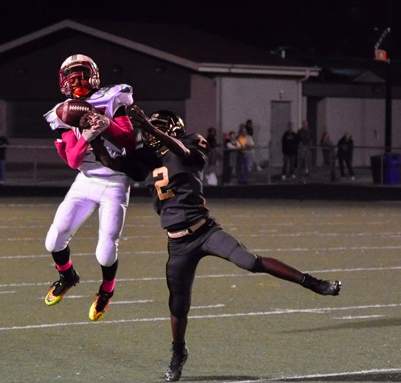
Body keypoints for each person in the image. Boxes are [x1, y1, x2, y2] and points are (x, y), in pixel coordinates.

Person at [93, 106, 342, 382]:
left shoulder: (191, 141)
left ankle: (313, 282)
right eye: (149, 128)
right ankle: (179, 352)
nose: (151, 132)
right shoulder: (148, 157)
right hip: (177, 243)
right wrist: (91, 135)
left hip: (205, 231)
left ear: (172, 128)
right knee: (178, 305)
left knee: (250, 261)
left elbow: (187, 155)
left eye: (159, 128)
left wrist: (153, 130)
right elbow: (110, 161)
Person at [42, 54, 136, 321]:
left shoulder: (113, 98)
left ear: (93, 75)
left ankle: (106, 290)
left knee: (105, 251)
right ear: (64, 83)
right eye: (73, 78)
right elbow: (73, 160)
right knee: (54, 239)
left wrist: (107, 125)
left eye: (82, 75)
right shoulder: (63, 111)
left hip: (115, 181)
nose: (78, 82)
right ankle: (67, 276)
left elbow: (129, 141)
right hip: (85, 179)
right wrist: (87, 135)